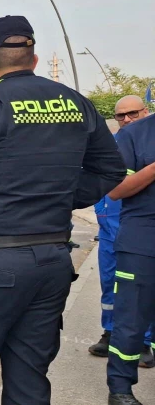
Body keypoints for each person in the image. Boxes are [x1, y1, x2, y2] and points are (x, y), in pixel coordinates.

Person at [0, 15, 126, 404]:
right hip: (51, 266)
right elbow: (111, 170)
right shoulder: (77, 104)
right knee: (29, 380)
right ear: (33, 60)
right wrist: (60, 197)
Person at [90, 96, 153, 368]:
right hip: (109, 231)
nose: (126, 119)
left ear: (145, 111)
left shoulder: (147, 142)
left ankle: (144, 342)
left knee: (140, 289)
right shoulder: (112, 145)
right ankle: (110, 331)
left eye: (133, 113)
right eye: (121, 115)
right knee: (109, 283)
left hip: (137, 232)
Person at [105, 111, 155, 404]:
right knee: (131, 319)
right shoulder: (135, 134)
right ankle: (120, 389)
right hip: (143, 242)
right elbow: (115, 189)